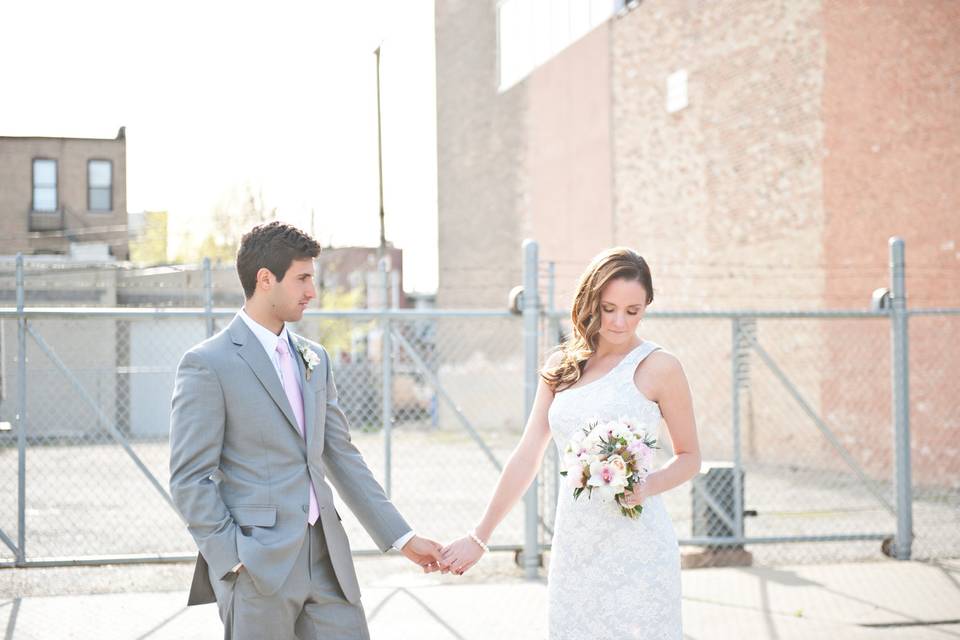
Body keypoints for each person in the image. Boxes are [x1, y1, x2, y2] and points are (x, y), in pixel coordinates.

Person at [169, 221, 442, 639]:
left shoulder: (314, 358)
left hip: (327, 559)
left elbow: (341, 456)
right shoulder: (209, 363)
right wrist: (233, 559)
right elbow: (190, 477)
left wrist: (402, 537)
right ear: (265, 280)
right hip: (258, 567)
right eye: (302, 279)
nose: (311, 291)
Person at [440, 247, 701, 639]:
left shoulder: (662, 367)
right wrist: (480, 536)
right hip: (576, 547)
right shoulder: (562, 366)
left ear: (647, 304)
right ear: (591, 301)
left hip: (639, 547)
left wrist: (644, 486)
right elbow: (527, 454)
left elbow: (690, 457)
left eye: (633, 311)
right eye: (609, 307)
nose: (618, 321)